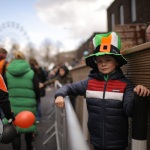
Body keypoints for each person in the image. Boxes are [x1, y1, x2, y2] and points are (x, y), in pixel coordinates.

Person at [54, 32, 150, 150]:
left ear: (117, 62)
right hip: (96, 140)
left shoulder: (126, 85)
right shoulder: (89, 82)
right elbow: (68, 87)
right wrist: (59, 95)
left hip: (117, 143)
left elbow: (129, 110)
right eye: (99, 61)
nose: (103, 64)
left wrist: (138, 94)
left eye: (108, 60)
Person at [4, 51, 40, 150]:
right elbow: (37, 90)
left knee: (15, 131)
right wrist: (36, 100)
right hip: (28, 106)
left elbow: (4, 91)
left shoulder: (7, 74)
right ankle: (29, 146)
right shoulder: (31, 72)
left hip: (12, 106)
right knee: (28, 127)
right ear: (24, 59)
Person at [29, 57, 47, 124]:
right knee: (38, 102)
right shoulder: (40, 69)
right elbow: (44, 78)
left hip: (32, 87)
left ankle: (33, 117)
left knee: (33, 104)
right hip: (39, 87)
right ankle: (38, 117)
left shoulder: (29, 70)